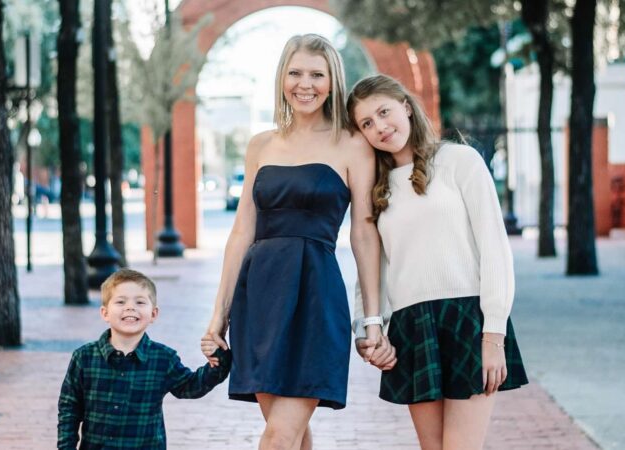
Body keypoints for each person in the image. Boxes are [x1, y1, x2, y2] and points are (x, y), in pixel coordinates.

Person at [199, 34, 382, 450]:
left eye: (317, 75)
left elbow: (364, 232)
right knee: (290, 435)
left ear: (333, 82)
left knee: (279, 436)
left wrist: (372, 318)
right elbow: (242, 231)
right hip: (260, 299)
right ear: (282, 78)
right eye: (295, 73)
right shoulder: (261, 145)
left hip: (317, 298)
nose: (305, 84)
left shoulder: (353, 143)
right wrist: (219, 315)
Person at [347, 74, 529, 450]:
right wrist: (369, 328)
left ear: (406, 107)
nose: (379, 126)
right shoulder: (375, 189)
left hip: (468, 320)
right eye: (367, 123)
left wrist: (493, 335)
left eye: (384, 112)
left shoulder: (459, 161)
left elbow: (495, 249)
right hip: (413, 327)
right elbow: (372, 267)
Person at [57, 269, 231, 450]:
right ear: (105, 313)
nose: (130, 307)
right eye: (120, 301)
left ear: (153, 314)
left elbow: (192, 386)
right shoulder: (84, 358)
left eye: (140, 302)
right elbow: (69, 408)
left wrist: (218, 359)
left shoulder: (163, 358)